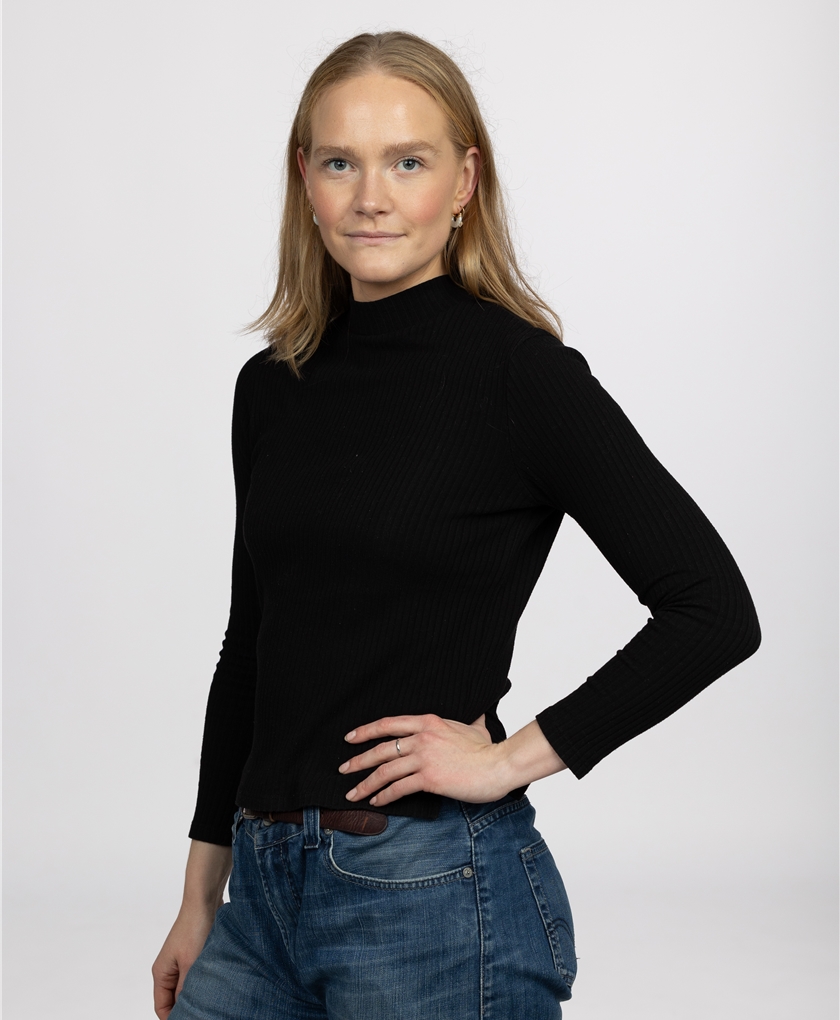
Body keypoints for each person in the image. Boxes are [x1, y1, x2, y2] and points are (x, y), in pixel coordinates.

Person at [152, 30, 760, 1020]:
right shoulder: (271, 386)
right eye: (340, 163)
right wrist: (199, 896)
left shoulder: (520, 377)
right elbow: (251, 649)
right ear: (305, 179)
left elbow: (714, 610)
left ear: (464, 180)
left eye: (408, 162)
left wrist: (510, 758)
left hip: (432, 896)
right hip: (260, 902)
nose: (371, 197)